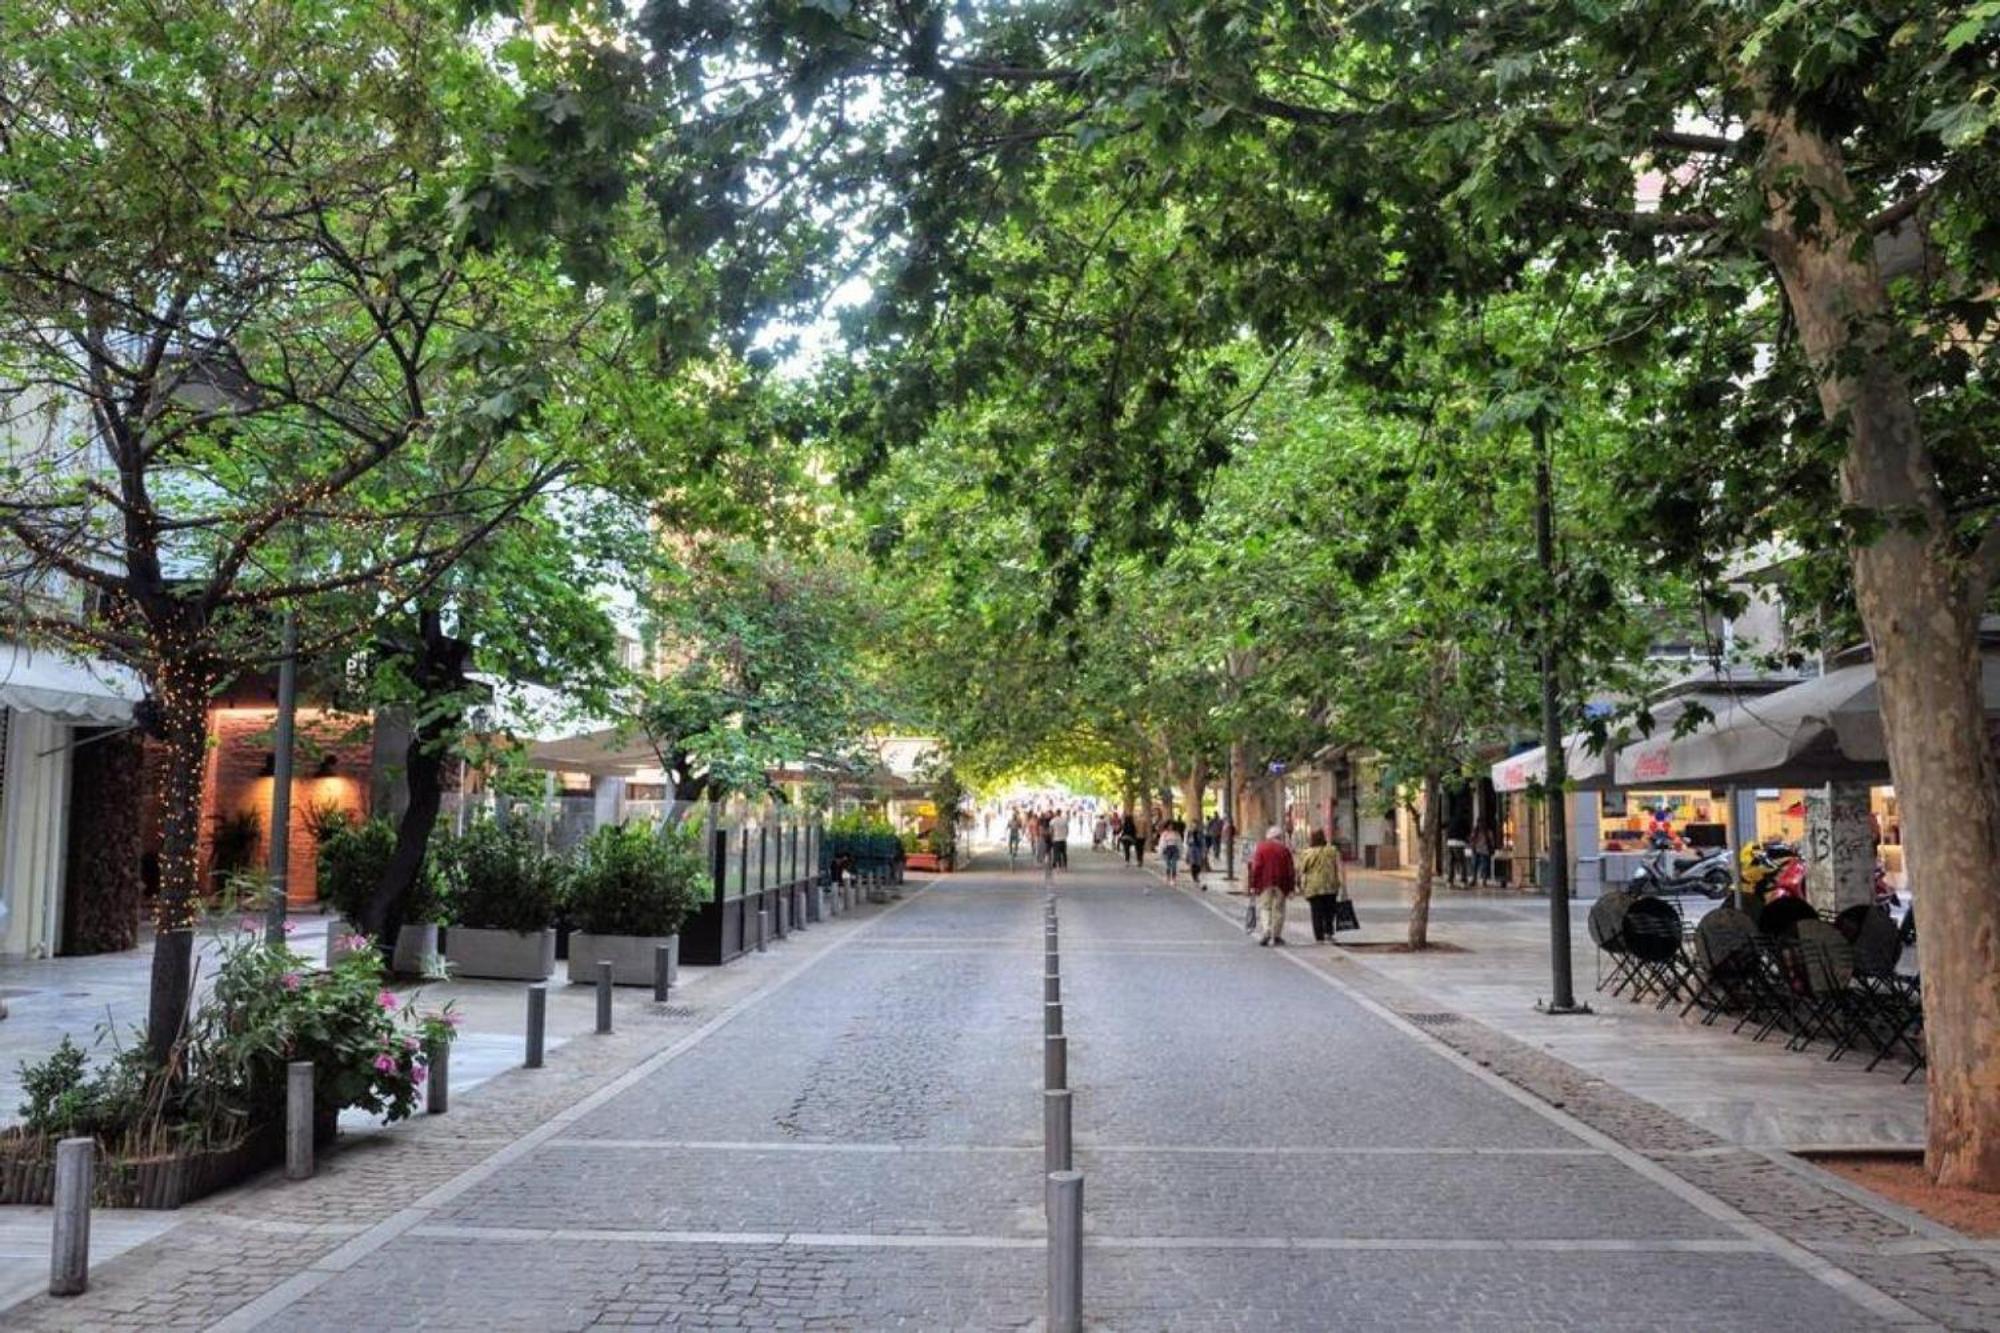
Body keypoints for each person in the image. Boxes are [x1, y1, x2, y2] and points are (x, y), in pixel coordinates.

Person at [1246, 824, 1297, 946]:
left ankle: (1266, 931)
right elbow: (1290, 870)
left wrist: (1253, 884)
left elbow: (1256, 867)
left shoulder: (1261, 848)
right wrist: (1291, 888)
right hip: (1281, 883)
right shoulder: (1284, 850)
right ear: (1278, 837)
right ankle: (1277, 935)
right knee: (1279, 909)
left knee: (1265, 908)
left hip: (1265, 883)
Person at [1299, 829, 1346, 943]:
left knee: (1316, 912)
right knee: (1329, 910)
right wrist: (1343, 885)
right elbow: (1340, 868)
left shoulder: (1307, 853)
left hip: (1313, 887)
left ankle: (1319, 937)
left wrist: (1300, 885)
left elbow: (1302, 870)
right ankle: (1328, 933)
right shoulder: (1333, 851)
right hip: (1330, 885)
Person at [1158, 819, 1184, 884]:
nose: (1171, 827)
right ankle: (1168, 877)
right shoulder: (1164, 834)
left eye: (1172, 825)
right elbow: (1162, 843)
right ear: (1167, 826)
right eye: (1169, 825)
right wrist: (1161, 851)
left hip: (1174, 849)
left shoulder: (1176, 833)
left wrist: (1181, 852)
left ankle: (1174, 878)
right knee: (1168, 864)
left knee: (1174, 864)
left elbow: (1179, 843)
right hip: (1167, 849)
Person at [1187, 822, 1208, 889]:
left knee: (1198, 864)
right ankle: (1194, 877)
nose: (1194, 827)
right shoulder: (1189, 833)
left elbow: (1203, 842)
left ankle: (1197, 875)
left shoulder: (1200, 833)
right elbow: (1187, 842)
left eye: (1196, 826)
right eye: (1193, 826)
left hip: (1198, 849)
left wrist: (1204, 850)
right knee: (1193, 863)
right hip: (1192, 848)